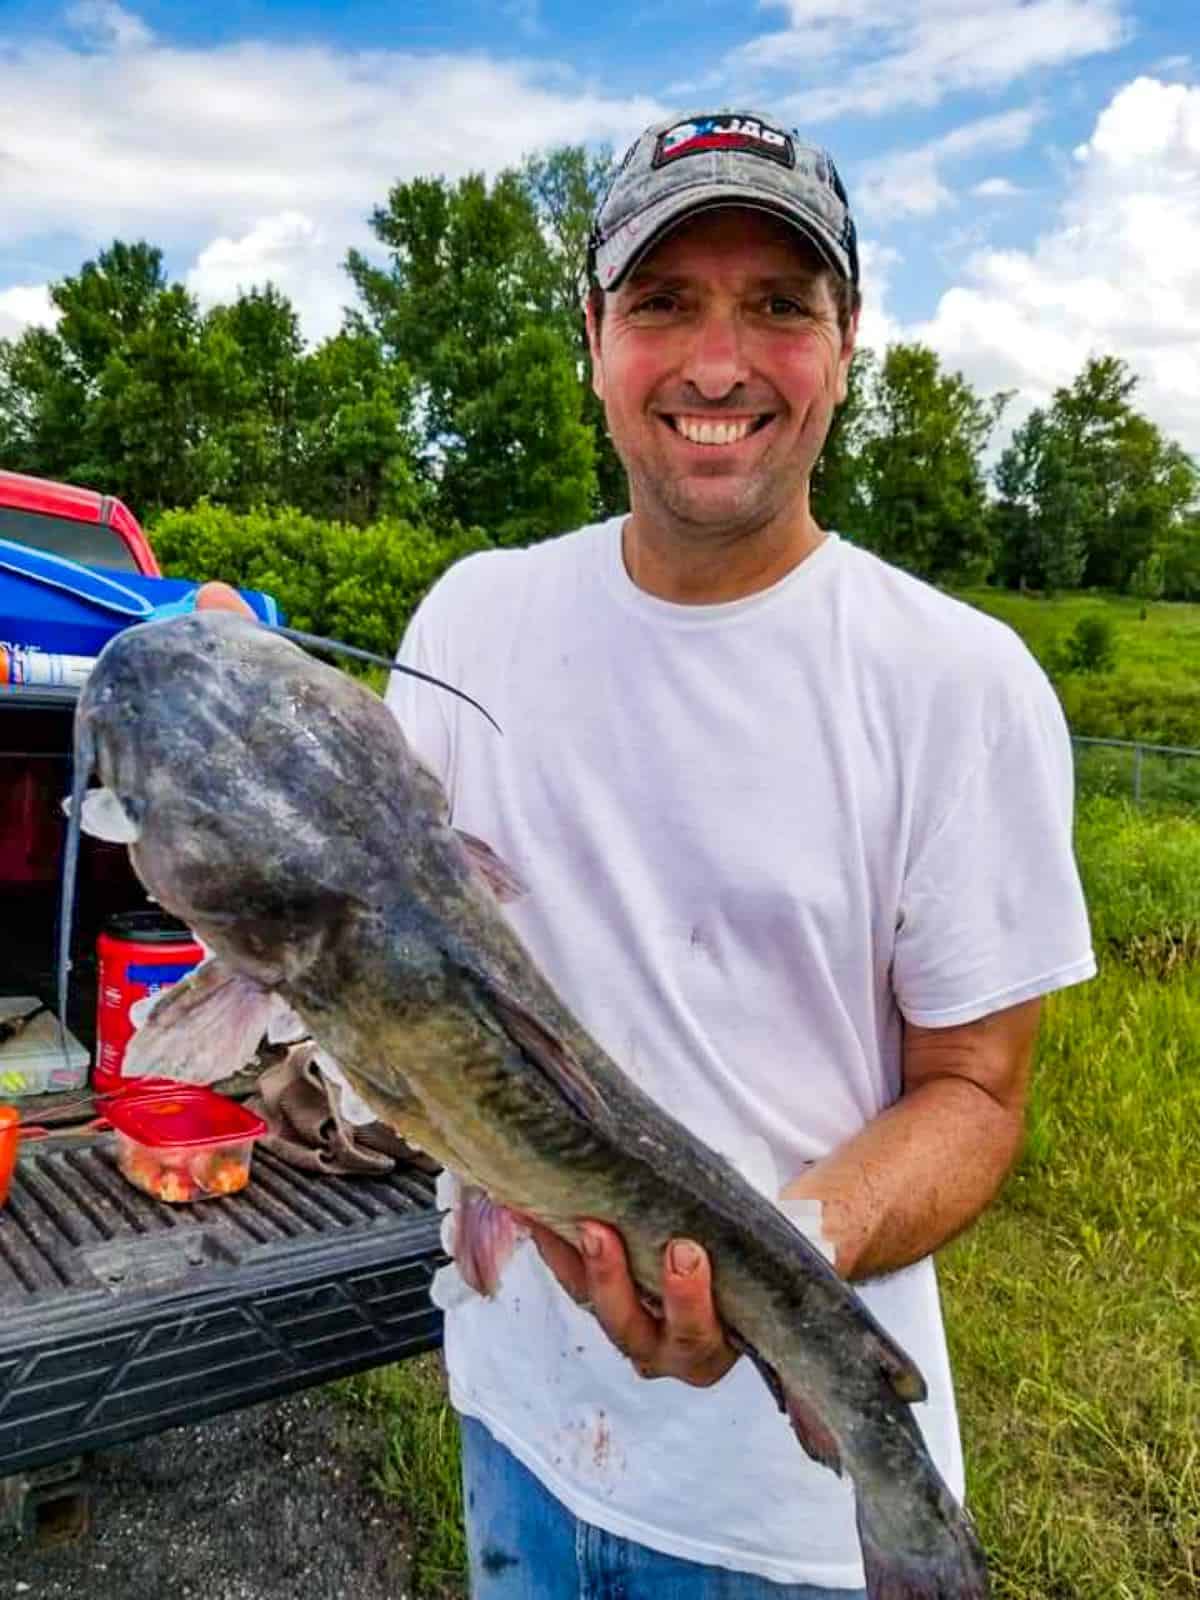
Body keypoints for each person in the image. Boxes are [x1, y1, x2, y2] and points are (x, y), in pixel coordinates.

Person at [202, 108, 1096, 1598]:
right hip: (517, 1425)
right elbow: (366, 926)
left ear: (849, 339)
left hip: (787, 1515)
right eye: (664, 302)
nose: (718, 362)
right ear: (595, 336)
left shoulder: (960, 680)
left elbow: (974, 1090)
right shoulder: (473, 618)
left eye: (778, 306)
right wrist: (237, 721)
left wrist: (779, 1260)